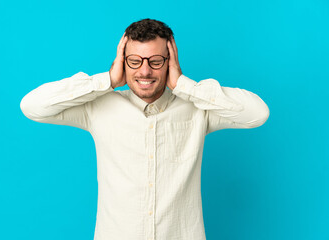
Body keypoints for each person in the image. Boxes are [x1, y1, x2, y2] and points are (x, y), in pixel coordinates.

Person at [20, 18, 269, 240]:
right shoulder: (98, 108)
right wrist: (106, 80)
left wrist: (185, 85)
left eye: (156, 61)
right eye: (135, 61)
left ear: (170, 61)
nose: (145, 71)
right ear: (123, 61)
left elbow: (258, 113)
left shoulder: (198, 109)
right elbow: (32, 106)